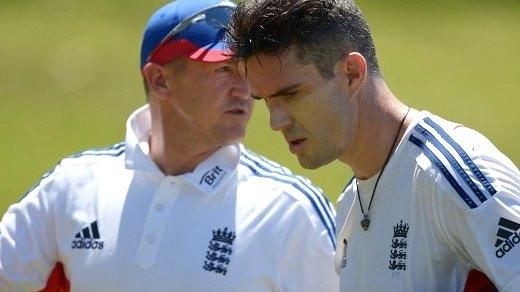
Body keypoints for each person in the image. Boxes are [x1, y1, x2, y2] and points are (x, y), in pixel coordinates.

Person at [0, 0, 339, 291]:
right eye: (223, 70)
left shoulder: (291, 209)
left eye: (245, 72)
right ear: (160, 79)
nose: (244, 89)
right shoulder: (72, 186)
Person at [227, 0, 520, 291]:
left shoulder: (452, 179)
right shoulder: (350, 202)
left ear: (352, 73)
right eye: (266, 101)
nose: (276, 121)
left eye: (291, 94)